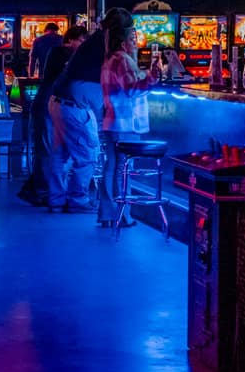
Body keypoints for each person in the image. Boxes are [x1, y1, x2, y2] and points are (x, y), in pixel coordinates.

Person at [99, 18, 157, 228]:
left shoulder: (109, 59)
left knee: (112, 166)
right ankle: (123, 215)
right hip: (125, 123)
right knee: (122, 169)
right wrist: (153, 76)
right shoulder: (123, 59)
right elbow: (132, 90)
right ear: (124, 43)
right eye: (133, 39)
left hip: (112, 121)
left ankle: (108, 214)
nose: (137, 43)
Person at [44, 26, 98, 213]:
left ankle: (56, 200)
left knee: (60, 153)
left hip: (57, 103)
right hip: (74, 107)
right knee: (87, 156)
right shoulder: (97, 51)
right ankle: (78, 200)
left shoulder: (76, 53)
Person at [17, 44, 72, 207]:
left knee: (45, 151)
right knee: (46, 151)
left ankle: (41, 190)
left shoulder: (51, 77)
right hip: (46, 108)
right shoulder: (57, 78)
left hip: (44, 107)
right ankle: (42, 191)